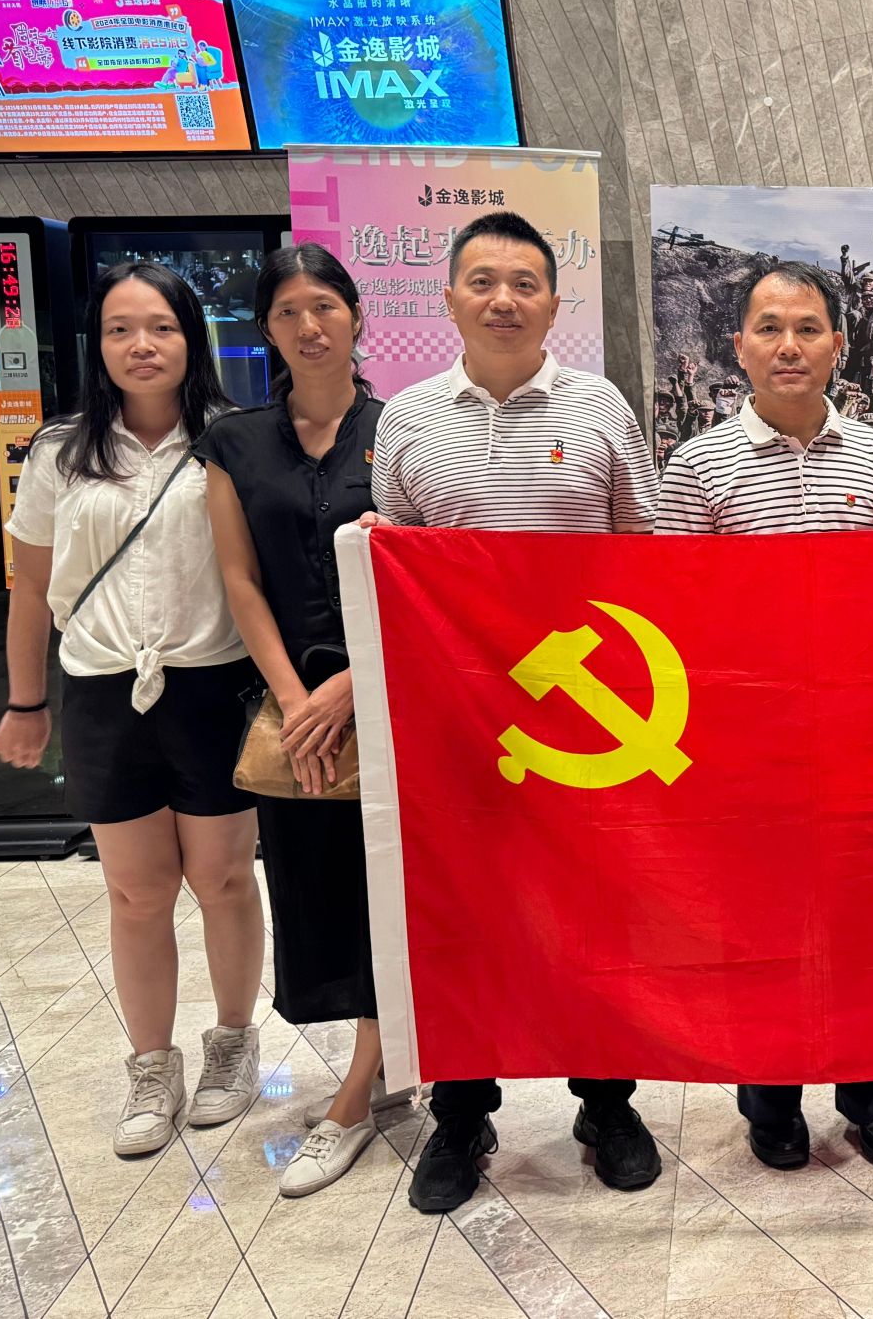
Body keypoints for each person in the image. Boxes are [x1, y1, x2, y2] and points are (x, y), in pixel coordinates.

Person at [367, 211, 663, 1212]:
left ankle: (606, 1100)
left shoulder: (599, 405)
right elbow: (400, 567)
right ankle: (462, 1113)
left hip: (583, 726)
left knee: (594, 913)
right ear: (449, 297)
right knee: (462, 916)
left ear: (553, 300)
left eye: (525, 283)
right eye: (483, 281)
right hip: (458, 727)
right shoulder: (407, 418)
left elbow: (644, 550)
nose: (504, 299)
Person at [0, 262, 263, 1159]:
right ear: (96, 345)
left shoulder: (232, 440)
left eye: (161, 327)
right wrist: (26, 701)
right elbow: (30, 589)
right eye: (120, 330)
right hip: (104, 691)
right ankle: (152, 1066)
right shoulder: (59, 451)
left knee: (224, 879)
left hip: (210, 685)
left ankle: (233, 1044)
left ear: (192, 339)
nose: (141, 346)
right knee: (136, 890)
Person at [656, 257, 873, 1172]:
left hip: (858, 740)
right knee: (760, 928)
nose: (789, 346)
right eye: (769, 328)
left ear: (838, 345)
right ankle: (770, 1097)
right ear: (739, 347)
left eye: (807, 328)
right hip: (749, 745)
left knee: (865, 927)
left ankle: (872, 1097)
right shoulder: (696, 466)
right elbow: (677, 620)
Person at [197, 245, 401, 1199]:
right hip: (294, 708)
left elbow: (421, 570)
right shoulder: (233, 444)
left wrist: (352, 684)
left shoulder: (403, 429)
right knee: (317, 883)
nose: (309, 326)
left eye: (325, 306)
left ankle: (356, 1095)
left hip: (392, 691)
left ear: (355, 315)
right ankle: (384, 1062)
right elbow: (239, 579)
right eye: (288, 312)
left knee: (390, 888)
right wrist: (292, 698)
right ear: (267, 330)